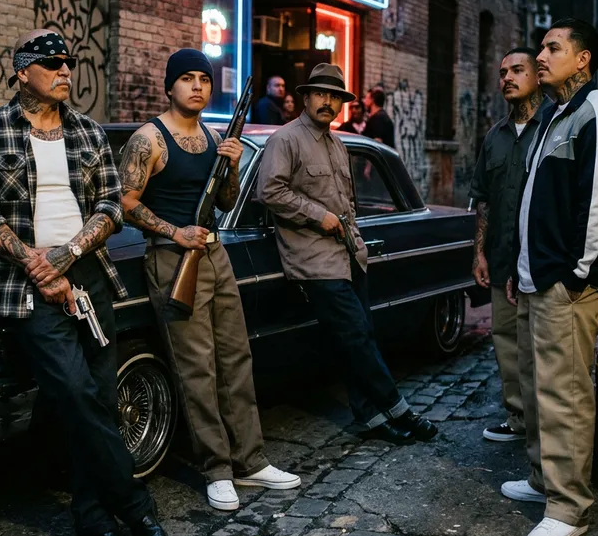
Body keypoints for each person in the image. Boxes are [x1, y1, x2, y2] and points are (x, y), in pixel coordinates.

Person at [0, 29, 168, 536]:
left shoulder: (87, 131)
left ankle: (92, 523)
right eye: (52, 63)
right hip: (26, 286)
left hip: (89, 277)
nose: (65, 71)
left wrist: (68, 253)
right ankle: (136, 508)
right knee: (75, 394)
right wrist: (38, 264)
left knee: (99, 399)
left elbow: (111, 205)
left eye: (68, 63)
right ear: (22, 71)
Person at [118, 48, 300, 511]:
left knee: (236, 358)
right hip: (172, 258)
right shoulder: (148, 139)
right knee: (196, 367)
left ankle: (251, 461)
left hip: (215, 254)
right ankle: (217, 470)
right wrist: (174, 231)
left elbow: (225, 201)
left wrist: (232, 164)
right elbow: (124, 203)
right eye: (187, 78)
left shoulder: (213, 136)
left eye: (204, 78)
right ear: (170, 86)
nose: (197, 86)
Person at [255, 63, 437, 446]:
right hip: (314, 260)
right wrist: (317, 215)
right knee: (356, 336)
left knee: (359, 337)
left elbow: (348, 202)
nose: (328, 101)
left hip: (351, 255)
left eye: (335, 96)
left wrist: (355, 241)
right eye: (321, 94)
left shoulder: (338, 143)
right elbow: (269, 191)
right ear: (306, 97)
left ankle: (370, 416)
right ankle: (400, 408)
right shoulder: (285, 139)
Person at [503, 19, 598, 536]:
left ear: (584, 58)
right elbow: (534, 199)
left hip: (564, 284)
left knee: (566, 394)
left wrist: (579, 276)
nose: (541, 55)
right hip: (534, 277)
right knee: (536, 388)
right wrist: (519, 266)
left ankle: (569, 506)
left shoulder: (595, 113)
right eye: (541, 47)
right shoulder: (554, 114)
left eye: (553, 47)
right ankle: (542, 480)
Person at [469, 48, 547, 444]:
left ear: (537, 75)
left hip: (542, 263)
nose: (507, 79)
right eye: (502, 73)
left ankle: (546, 426)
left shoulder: (554, 128)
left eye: (517, 70)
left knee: (542, 347)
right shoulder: (495, 136)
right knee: (505, 340)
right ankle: (518, 419)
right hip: (501, 259)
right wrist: (479, 252)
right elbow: (483, 198)